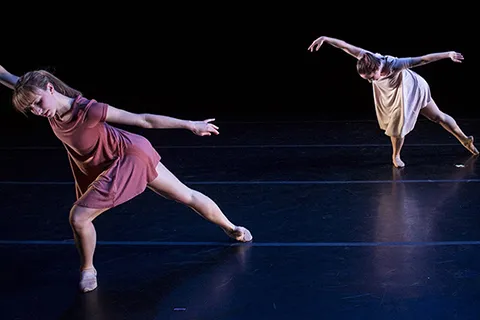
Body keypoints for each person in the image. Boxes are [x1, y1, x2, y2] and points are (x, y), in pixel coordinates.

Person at [0, 65, 253, 293]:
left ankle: (87, 269)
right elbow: (6, 76)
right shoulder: (37, 93)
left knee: (78, 217)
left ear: (50, 88)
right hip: (116, 158)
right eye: (30, 108)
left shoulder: (89, 110)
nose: (36, 111)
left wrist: (190, 124)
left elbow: (143, 120)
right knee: (186, 195)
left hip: (129, 156)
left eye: (37, 103)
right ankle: (232, 229)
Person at [307, 36, 479, 167]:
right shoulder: (365, 57)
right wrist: (325, 38)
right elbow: (344, 46)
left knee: (407, 121)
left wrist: (448, 54)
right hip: (395, 91)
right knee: (437, 117)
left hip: (412, 88)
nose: (370, 80)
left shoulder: (395, 64)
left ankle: (397, 155)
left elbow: (425, 58)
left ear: (377, 69)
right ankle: (466, 140)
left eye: (371, 77)